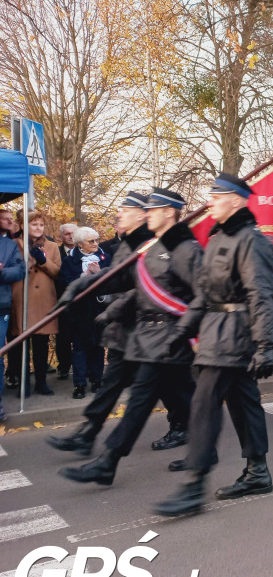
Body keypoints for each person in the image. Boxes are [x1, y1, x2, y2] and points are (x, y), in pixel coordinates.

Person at [153, 172, 273, 517]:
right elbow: (205, 294)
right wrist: (181, 332)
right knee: (243, 403)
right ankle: (258, 472)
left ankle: (193, 486)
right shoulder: (218, 237)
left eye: (217, 195)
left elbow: (262, 294)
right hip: (215, 329)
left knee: (204, 403)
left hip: (234, 335)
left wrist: (266, 344)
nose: (210, 200)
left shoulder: (252, 241)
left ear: (237, 201)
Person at [59, 188, 202, 487]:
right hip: (150, 336)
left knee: (142, 400)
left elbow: (202, 295)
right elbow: (123, 277)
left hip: (169, 336)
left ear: (169, 212)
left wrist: (184, 331)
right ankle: (204, 449)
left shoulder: (183, 247)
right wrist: (80, 286)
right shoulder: (153, 246)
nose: (147, 213)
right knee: (183, 397)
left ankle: (108, 462)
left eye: (152, 209)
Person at [9, 211, 61, 396]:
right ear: (23, 225)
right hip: (22, 299)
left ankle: (41, 382)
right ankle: (24, 384)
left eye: (41, 224)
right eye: (34, 224)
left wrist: (43, 260)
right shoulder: (14, 244)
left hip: (44, 301)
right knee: (22, 345)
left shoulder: (52, 246)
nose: (38, 228)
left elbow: (57, 272)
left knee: (41, 344)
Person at [58, 227, 111, 398]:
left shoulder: (105, 256)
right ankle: (79, 384)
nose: (96, 243)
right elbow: (65, 282)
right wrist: (84, 275)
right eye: (91, 241)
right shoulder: (69, 260)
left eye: (97, 239)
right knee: (79, 347)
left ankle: (96, 379)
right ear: (80, 244)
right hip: (79, 310)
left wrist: (100, 275)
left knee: (98, 345)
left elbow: (114, 280)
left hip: (99, 307)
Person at [0, 220, 25, 422]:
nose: (10, 222)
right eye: (5, 218)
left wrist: (1, 272)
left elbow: (20, 271)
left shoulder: (10, 245)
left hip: (1, 306)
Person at [55, 222, 78, 382]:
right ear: (61, 236)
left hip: (81, 303)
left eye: (72, 233)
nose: (70, 236)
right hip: (61, 300)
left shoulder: (84, 251)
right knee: (62, 338)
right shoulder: (55, 252)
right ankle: (63, 366)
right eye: (67, 233)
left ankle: (80, 370)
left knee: (79, 338)